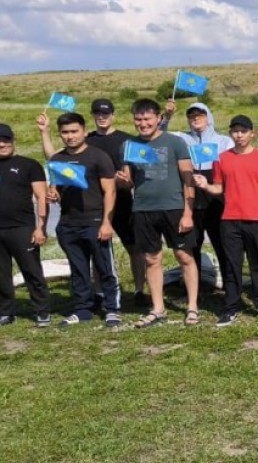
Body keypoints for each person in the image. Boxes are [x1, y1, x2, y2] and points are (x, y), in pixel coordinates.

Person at [193, 115, 258, 326]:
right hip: (230, 219)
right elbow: (219, 188)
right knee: (232, 265)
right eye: (235, 131)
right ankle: (231, 306)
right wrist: (205, 185)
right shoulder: (222, 158)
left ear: (251, 133)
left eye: (243, 131)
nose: (239, 135)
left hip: (257, 219)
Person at [120, 99, 200, 328]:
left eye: (147, 119)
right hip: (143, 209)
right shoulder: (129, 146)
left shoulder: (175, 142)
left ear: (158, 118)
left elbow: (188, 179)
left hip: (174, 207)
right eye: (138, 119)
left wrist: (188, 213)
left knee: (184, 256)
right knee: (151, 259)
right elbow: (129, 182)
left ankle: (192, 306)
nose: (143, 124)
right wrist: (123, 182)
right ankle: (158, 308)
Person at [40, 112, 119, 327]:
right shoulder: (57, 159)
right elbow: (54, 190)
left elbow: (110, 192)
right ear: (60, 135)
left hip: (94, 221)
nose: (70, 136)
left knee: (105, 268)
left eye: (74, 131)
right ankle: (82, 309)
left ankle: (112, 309)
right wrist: (52, 194)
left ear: (84, 131)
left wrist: (106, 222)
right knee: (78, 270)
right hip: (67, 224)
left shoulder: (98, 156)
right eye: (65, 132)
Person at [85, 98, 146, 306]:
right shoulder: (87, 141)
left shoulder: (128, 141)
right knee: (98, 249)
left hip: (123, 203)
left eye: (106, 113)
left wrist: (126, 182)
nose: (102, 117)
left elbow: (136, 177)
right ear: (92, 115)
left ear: (113, 115)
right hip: (95, 204)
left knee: (135, 247)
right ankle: (100, 292)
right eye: (98, 113)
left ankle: (139, 290)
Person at [0, 123, 51, 328]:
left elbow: (41, 196)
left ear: (13, 141)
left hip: (22, 228)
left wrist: (41, 227)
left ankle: (41, 311)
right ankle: (5, 311)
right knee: (1, 273)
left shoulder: (28, 165)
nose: (1, 144)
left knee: (32, 270)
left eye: (5, 140)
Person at [180, 102, 234, 289]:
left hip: (216, 198)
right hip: (192, 197)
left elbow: (234, 164)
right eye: (191, 115)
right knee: (193, 245)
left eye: (200, 114)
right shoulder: (182, 138)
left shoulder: (224, 141)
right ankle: (195, 288)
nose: (195, 118)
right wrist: (168, 116)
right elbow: (157, 136)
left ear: (208, 117)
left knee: (222, 243)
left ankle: (230, 285)